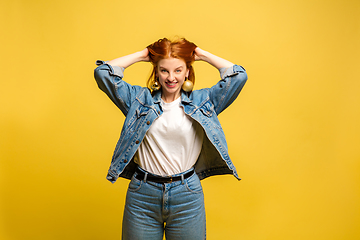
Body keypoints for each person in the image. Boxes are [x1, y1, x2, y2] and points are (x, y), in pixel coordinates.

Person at [94, 37, 247, 240]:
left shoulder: (204, 101)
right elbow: (103, 73)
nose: (171, 77)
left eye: (178, 70)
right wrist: (143, 55)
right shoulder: (138, 100)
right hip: (142, 194)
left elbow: (238, 76)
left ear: (187, 72)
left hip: (187, 195)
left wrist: (200, 54)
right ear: (156, 72)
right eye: (164, 70)